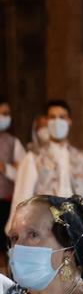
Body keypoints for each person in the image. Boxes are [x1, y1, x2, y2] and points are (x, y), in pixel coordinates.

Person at [8, 99, 83, 231]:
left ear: (69, 121)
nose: (57, 122)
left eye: (62, 117)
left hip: (78, 231)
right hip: (45, 231)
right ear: (47, 122)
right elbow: (21, 202)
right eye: (52, 117)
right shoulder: (33, 159)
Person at [0, 96, 28, 225]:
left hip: (5, 203)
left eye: (7, 114)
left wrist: (5, 168)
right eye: (3, 113)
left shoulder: (12, 142)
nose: (6, 117)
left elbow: (23, 174)